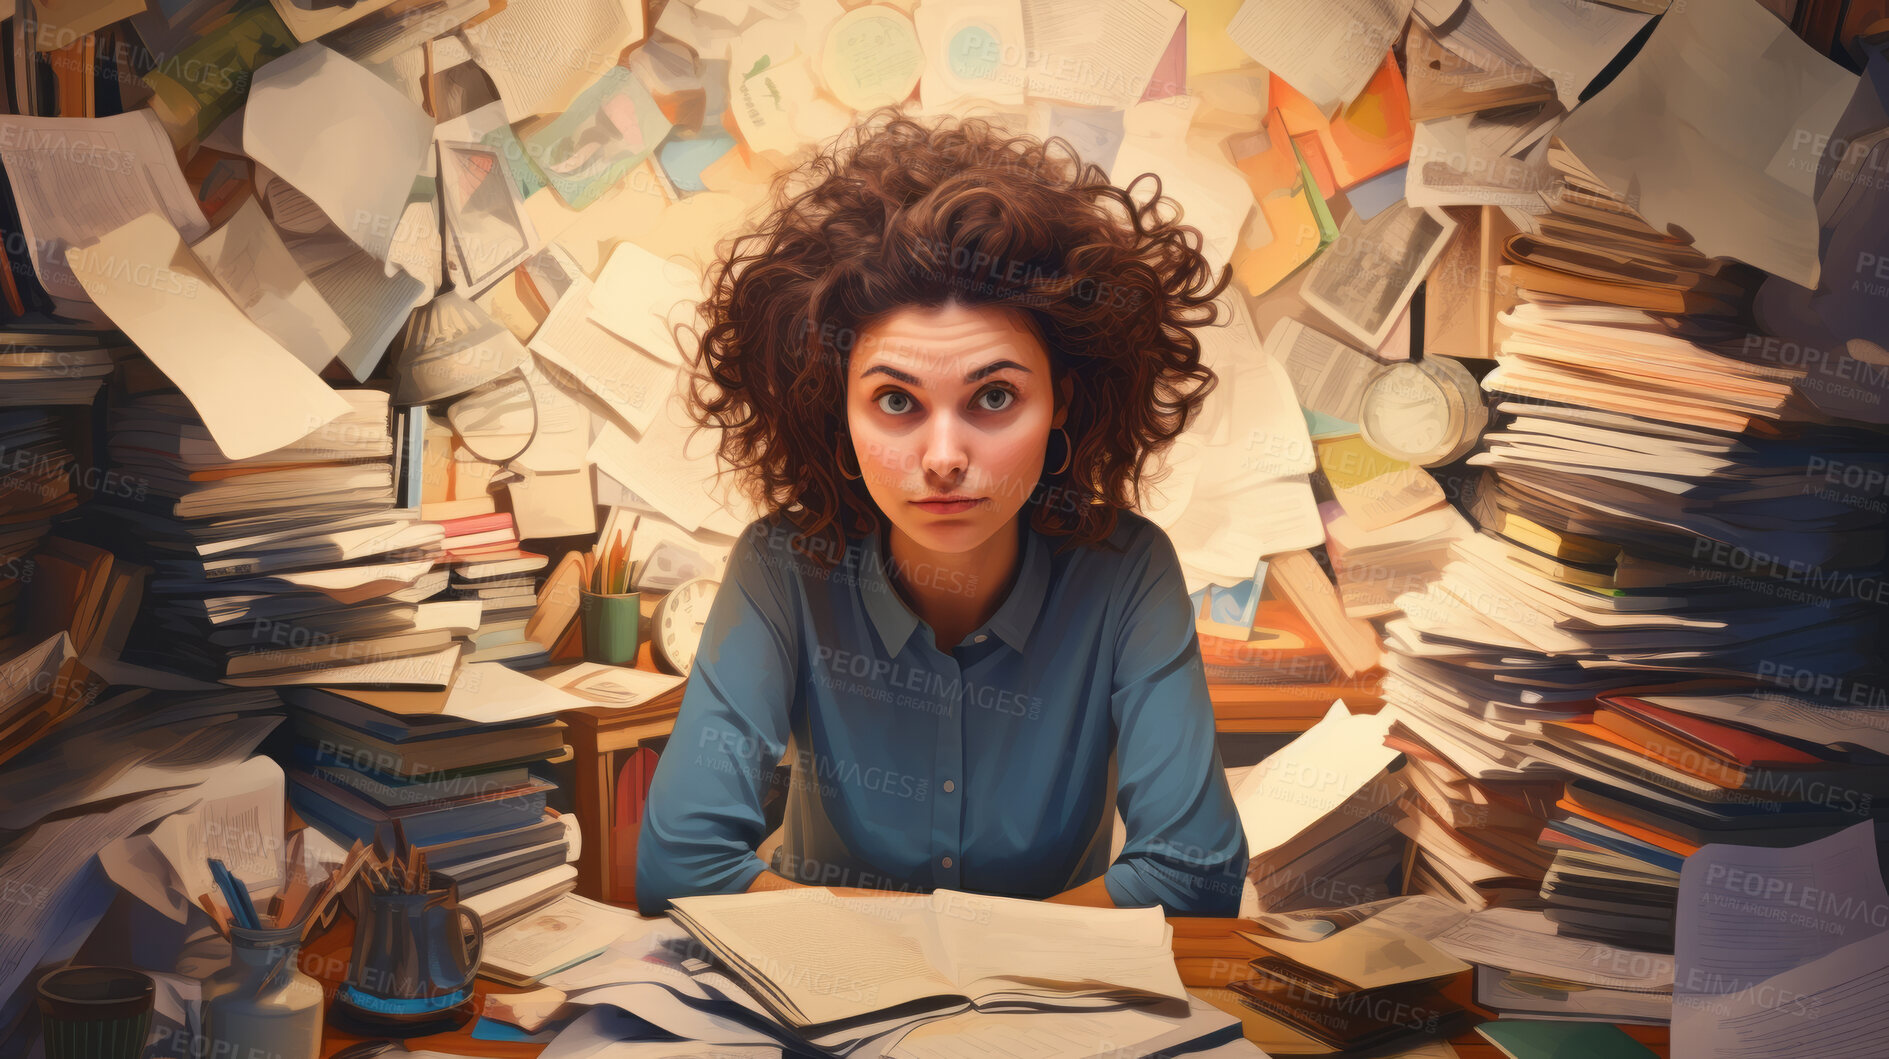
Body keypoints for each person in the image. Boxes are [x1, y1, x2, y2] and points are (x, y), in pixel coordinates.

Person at [635, 109, 1248, 917]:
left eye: (994, 397)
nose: (943, 456)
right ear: (835, 411)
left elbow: (1193, 874)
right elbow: (680, 865)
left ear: (1062, 399)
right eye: (896, 401)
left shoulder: (1126, 571)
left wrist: (961, 975)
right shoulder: (782, 565)